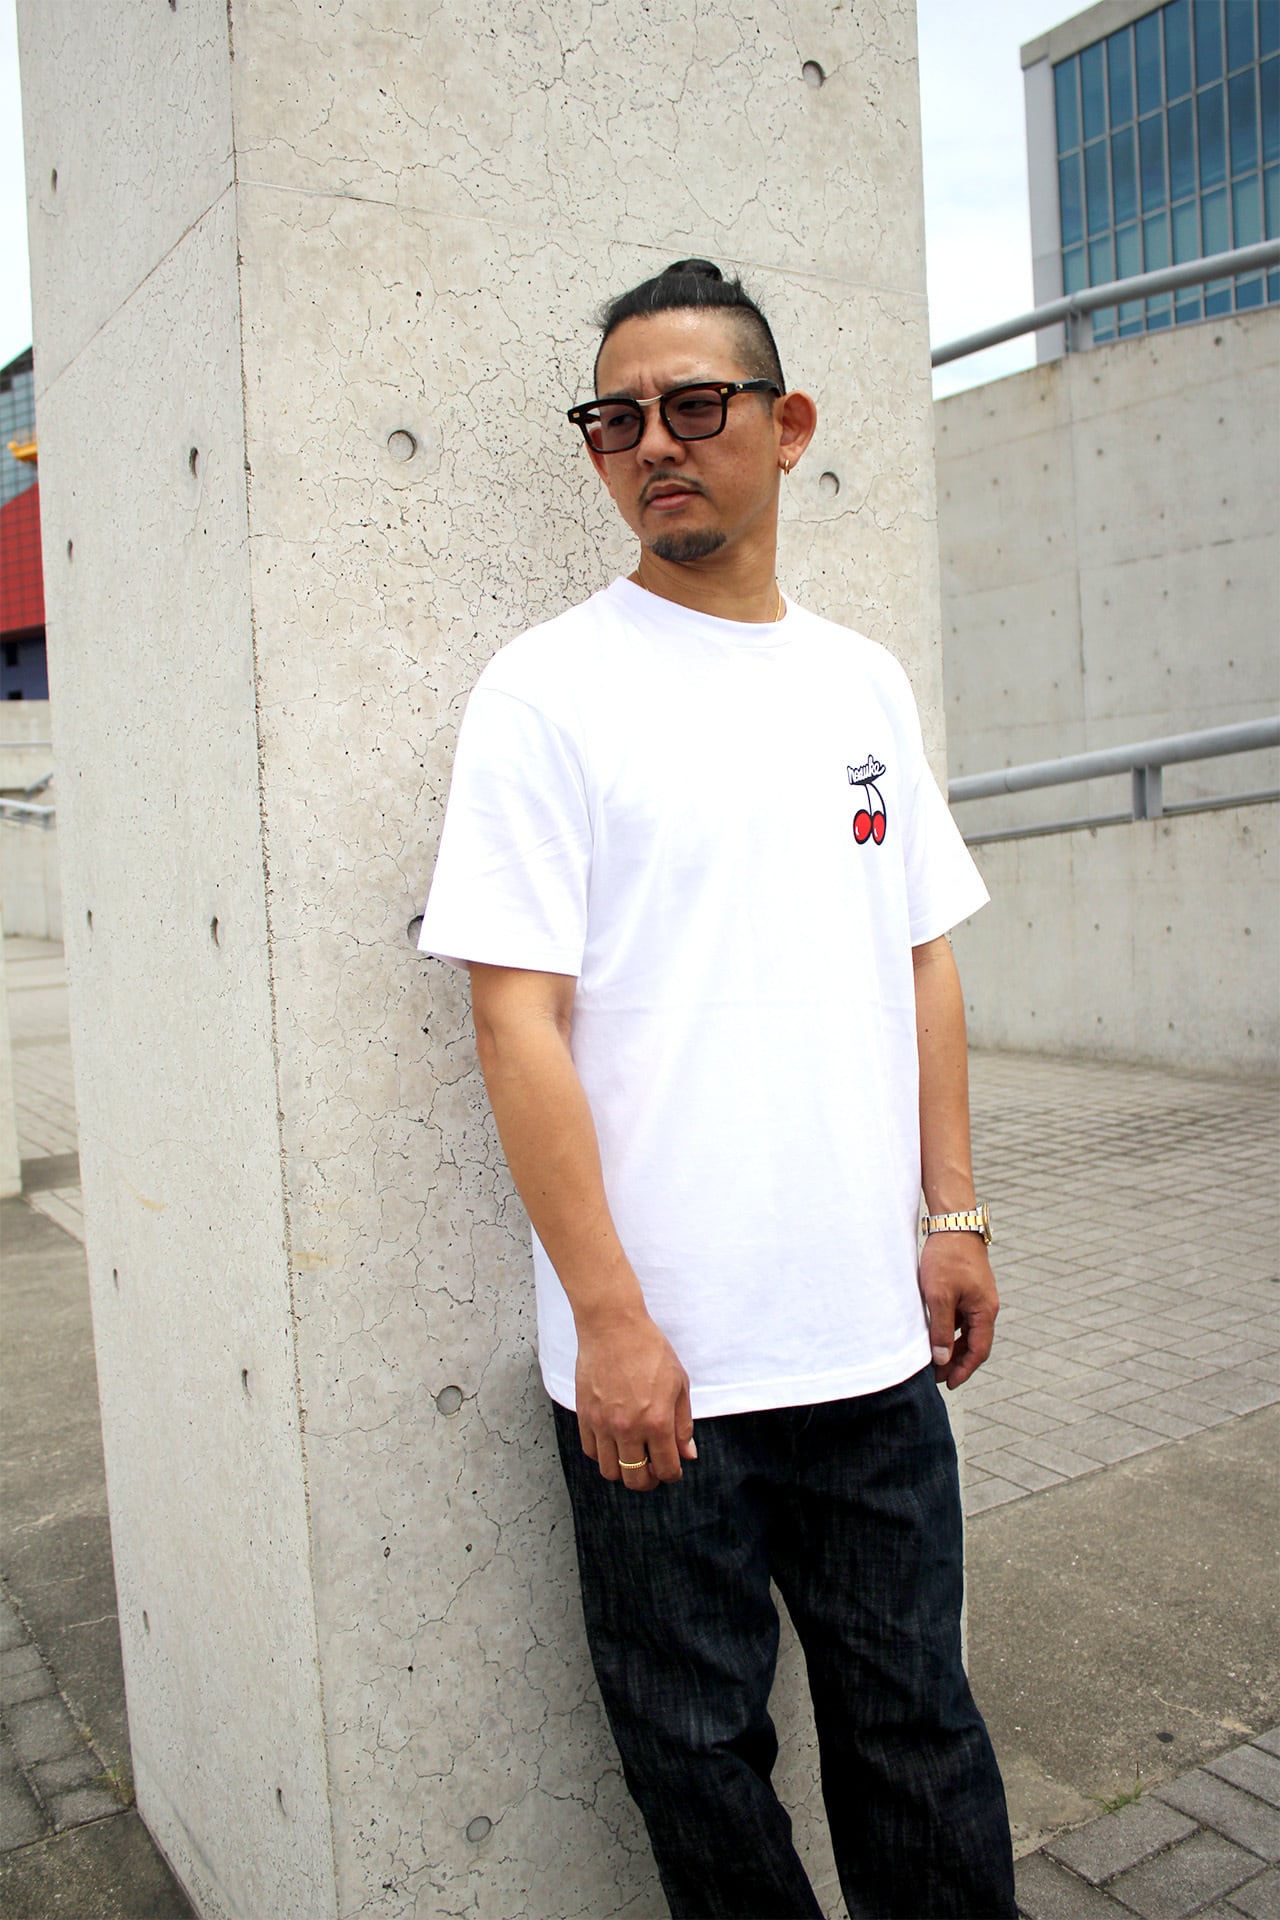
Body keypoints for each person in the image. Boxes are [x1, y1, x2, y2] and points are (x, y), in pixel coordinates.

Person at [418, 259, 1015, 1920]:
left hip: (867, 1341)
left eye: (694, 405)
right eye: (617, 420)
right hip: (657, 1372)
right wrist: (613, 1324)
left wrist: (955, 1213)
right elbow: (514, 1023)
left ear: (787, 423)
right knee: (696, 1758)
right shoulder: (547, 691)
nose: (654, 445)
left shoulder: (862, 681)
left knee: (918, 1728)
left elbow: (923, 958)